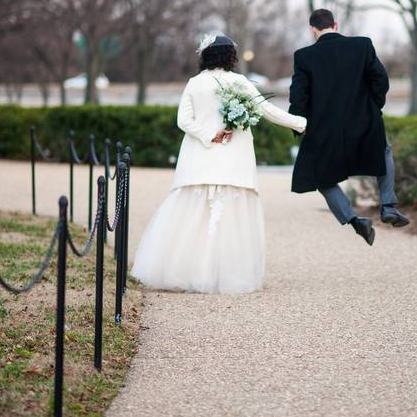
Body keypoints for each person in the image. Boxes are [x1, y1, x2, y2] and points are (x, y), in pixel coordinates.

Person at [130, 33, 307, 294]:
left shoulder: (194, 83)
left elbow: (183, 121)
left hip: (199, 160)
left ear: (206, 55)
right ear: (231, 56)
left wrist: (208, 135)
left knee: (192, 218)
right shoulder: (239, 81)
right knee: (229, 219)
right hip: (233, 161)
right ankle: (223, 276)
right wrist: (301, 123)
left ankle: (183, 272)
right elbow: (267, 111)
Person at [288, 8, 410, 246]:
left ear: (313, 30)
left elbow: (298, 97)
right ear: (335, 24)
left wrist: (299, 125)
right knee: (383, 151)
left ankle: (355, 221)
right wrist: (373, 108)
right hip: (363, 121)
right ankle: (388, 206)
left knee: (321, 177)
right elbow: (381, 80)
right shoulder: (362, 46)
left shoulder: (303, 56)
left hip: (324, 130)